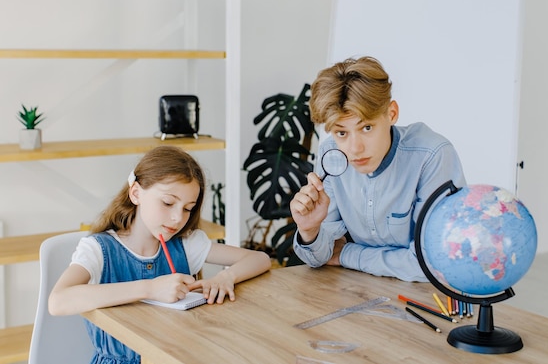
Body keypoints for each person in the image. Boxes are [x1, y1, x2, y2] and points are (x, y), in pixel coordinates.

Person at [49, 145, 271, 364]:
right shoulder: (99, 249)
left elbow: (259, 259)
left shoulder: (186, 244)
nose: (177, 218)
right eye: (168, 202)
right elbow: (58, 301)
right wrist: (151, 288)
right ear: (136, 193)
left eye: (187, 208)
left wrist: (225, 277)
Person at [290, 56, 466, 282]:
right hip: (355, 291)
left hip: (428, 299)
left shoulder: (433, 155)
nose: (355, 148)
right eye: (341, 133)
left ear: (391, 114)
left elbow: (434, 263)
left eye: (367, 127)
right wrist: (309, 230)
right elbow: (320, 258)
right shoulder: (331, 155)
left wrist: (347, 253)